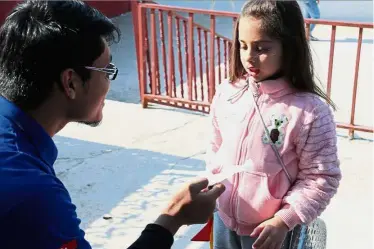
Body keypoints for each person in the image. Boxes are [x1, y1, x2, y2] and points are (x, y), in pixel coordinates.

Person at [0, 1, 225, 249]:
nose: (109, 82)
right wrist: (174, 216)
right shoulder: (33, 193)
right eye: (107, 70)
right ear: (71, 83)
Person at [205, 0, 341, 249]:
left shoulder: (310, 112)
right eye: (243, 45)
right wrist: (214, 184)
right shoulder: (227, 93)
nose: (248, 57)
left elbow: (321, 177)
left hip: (271, 234)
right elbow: (216, 146)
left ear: (289, 47)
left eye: (261, 48)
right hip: (222, 220)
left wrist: (284, 220)